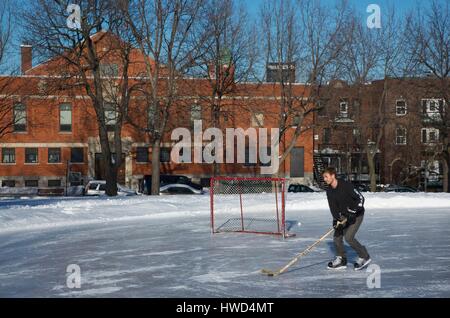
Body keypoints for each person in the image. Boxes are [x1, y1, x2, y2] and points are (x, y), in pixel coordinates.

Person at [322, 167, 371, 270]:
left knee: (348, 237)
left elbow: (361, 198)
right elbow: (333, 207)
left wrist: (353, 211)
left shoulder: (345, 185)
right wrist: (336, 219)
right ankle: (342, 260)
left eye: (326, 176)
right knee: (337, 236)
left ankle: (364, 256)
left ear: (333, 175)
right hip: (344, 215)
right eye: (324, 177)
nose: (325, 179)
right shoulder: (329, 190)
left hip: (357, 214)